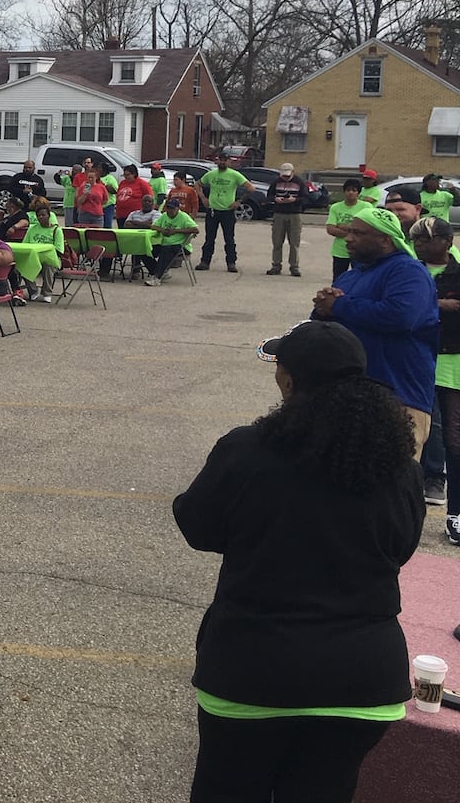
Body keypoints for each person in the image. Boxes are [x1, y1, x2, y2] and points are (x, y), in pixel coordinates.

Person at [174, 321, 422, 803]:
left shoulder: (246, 449)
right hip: (364, 681)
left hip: (252, 671)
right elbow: (402, 548)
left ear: (288, 380)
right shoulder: (398, 465)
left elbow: (198, 528)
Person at [313, 208, 439, 457]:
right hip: (348, 399)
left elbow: (401, 316)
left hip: (398, 399)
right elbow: (327, 328)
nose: (348, 238)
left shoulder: (407, 271)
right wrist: (321, 310)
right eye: (349, 231)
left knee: (389, 486)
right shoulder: (349, 277)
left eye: (358, 233)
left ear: (385, 240)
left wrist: (339, 305)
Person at [411, 215, 460, 516]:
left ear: (447, 242)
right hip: (416, 358)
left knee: (452, 436)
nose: (419, 245)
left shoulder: (457, 273)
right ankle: (411, 497)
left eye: (426, 239)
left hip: (452, 361)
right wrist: (439, 304)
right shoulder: (410, 272)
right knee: (416, 430)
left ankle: (452, 506)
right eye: (416, 239)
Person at [197, 153, 253, 273]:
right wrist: (203, 197)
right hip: (213, 210)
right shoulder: (211, 174)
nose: (222, 162)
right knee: (209, 238)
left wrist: (239, 202)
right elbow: (198, 184)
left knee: (229, 239)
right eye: (220, 160)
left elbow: (251, 188)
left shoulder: (234, 175)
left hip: (227, 212)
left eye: (224, 160)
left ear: (229, 162)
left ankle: (231, 263)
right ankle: (205, 261)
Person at [142, 196, 201, 286]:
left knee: (166, 250)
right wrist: (163, 230)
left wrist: (176, 231)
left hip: (181, 246)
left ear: (178, 208)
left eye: (172, 208)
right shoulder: (165, 215)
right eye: (168, 208)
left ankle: (157, 278)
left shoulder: (184, 217)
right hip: (165, 243)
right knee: (145, 250)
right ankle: (159, 271)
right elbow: (153, 226)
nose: (170, 210)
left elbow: (196, 230)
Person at [325, 177, 372, 281]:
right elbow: (331, 229)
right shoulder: (335, 207)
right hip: (340, 251)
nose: (350, 193)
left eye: (354, 190)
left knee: (360, 279)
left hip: (359, 250)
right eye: (348, 190)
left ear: (358, 193)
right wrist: (355, 231)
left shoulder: (366, 207)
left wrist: (344, 227)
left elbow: (369, 228)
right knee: (338, 279)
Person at [266, 162, 305, 277]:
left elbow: (306, 198)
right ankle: (276, 265)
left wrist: (295, 200)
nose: (286, 178)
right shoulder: (276, 182)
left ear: (293, 172)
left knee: (294, 242)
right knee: (277, 241)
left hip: (294, 214)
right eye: (284, 176)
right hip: (279, 213)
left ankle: (294, 267)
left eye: (288, 176)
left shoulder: (299, 182)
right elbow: (269, 195)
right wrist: (275, 199)